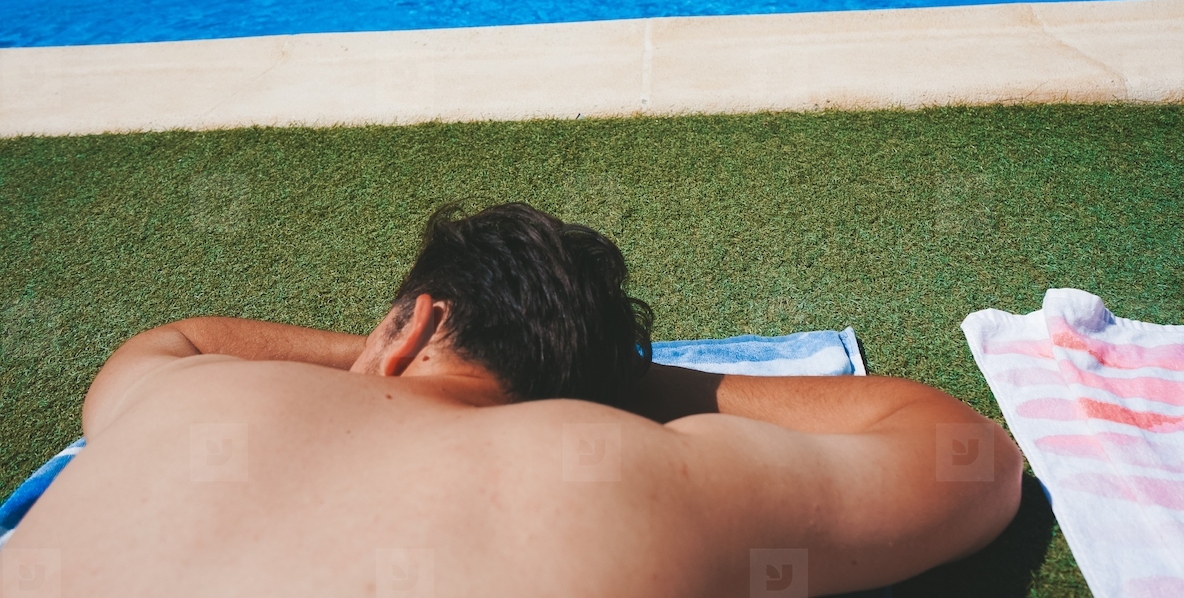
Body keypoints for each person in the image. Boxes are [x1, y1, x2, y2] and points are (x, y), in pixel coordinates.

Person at [7, 203, 1024, 596]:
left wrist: (383, 357)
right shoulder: (639, 468)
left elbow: (173, 335)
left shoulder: (183, 397)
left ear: (406, 326)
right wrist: (637, 387)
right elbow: (970, 461)